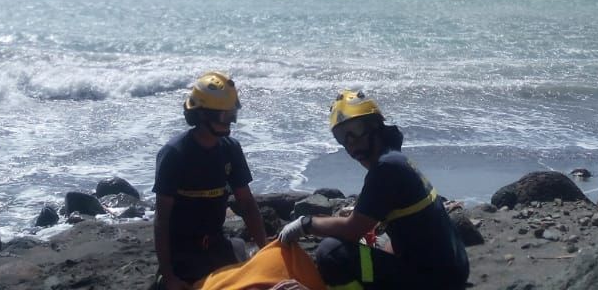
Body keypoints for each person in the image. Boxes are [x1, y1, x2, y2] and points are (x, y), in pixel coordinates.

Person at [278, 91, 468, 290]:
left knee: (331, 252)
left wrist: (305, 224)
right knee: (380, 248)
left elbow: (352, 230)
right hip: (453, 271)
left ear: (375, 127)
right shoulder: (396, 159)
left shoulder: (385, 169)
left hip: (436, 281)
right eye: (342, 136)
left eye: (356, 130)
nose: (351, 142)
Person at [154, 71, 270, 290]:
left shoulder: (231, 149)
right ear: (202, 116)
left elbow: (246, 202)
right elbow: (162, 220)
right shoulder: (174, 154)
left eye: (232, 114)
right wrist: (169, 276)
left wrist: (265, 249)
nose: (231, 122)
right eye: (224, 116)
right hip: (182, 251)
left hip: (216, 242)